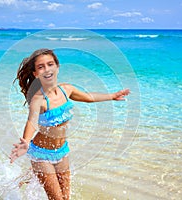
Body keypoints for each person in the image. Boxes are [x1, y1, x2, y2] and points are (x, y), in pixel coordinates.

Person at [9, 48, 130, 200]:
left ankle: (27, 176)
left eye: (50, 64)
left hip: (62, 151)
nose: (47, 69)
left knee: (66, 198)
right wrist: (25, 142)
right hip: (42, 155)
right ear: (35, 74)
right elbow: (31, 121)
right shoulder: (38, 99)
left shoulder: (67, 89)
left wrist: (112, 96)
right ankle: (32, 172)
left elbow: (88, 97)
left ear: (57, 67)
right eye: (41, 67)